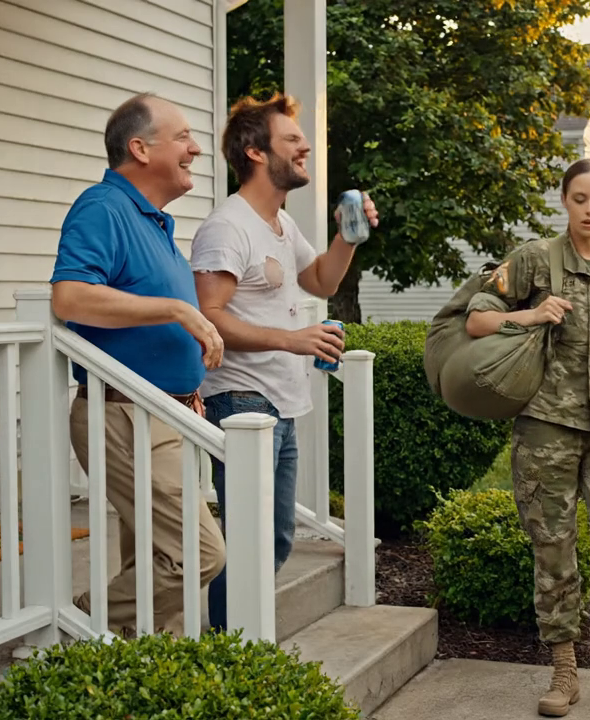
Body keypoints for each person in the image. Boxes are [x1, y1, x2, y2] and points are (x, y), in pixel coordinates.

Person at [465, 158, 590, 716]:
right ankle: (563, 667)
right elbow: (477, 319)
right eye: (580, 198)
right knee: (552, 547)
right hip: (545, 426)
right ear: (565, 201)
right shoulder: (534, 260)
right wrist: (529, 317)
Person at [190, 92, 378, 632]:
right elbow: (211, 317)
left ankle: (233, 633)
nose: (305, 148)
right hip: (240, 400)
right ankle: (232, 645)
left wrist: (347, 238)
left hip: (279, 401)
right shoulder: (228, 227)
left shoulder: (278, 223)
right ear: (254, 151)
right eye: (292, 139)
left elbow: (319, 280)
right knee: (250, 536)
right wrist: (291, 339)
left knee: (272, 537)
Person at [50, 92, 227, 637]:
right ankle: (80, 617)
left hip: (162, 418)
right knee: (197, 555)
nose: (196, 149)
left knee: (152, 559)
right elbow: (70, 298)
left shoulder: (152, 221)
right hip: (125, 418)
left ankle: (131, 666)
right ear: (139, 148)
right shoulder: (103, 208)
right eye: (183, 138)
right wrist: (178, 309)